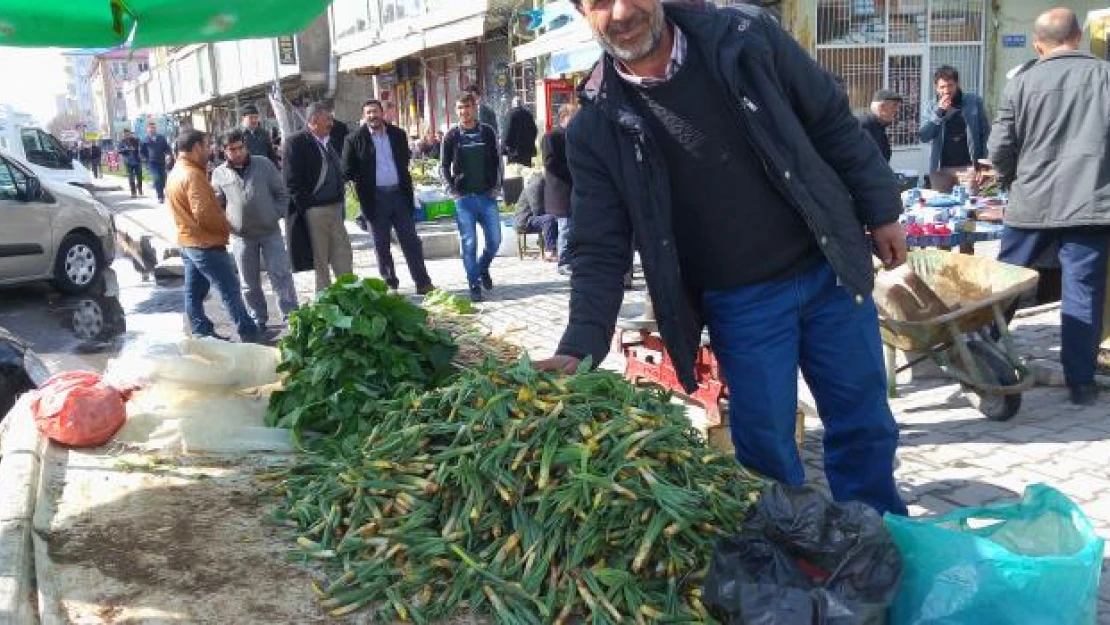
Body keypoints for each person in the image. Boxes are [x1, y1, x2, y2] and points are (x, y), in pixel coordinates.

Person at [536, 0, 909, 516]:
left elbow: (830, 121)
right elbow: (599, 247)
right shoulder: (596, 125)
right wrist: (580, 344)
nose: (622, 11)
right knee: (765, 447)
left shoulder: (743, 37)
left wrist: (882, 209)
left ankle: (880, 540)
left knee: (864, 422)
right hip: (741, 301)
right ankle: (790, 552)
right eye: (600, 1)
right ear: (583, 13)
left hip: (828, 271)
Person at [989, 7, 1110, 406]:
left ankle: (986, 360)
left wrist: (1010, 183)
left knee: (1001, 286)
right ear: (1077, 37)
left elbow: (999, 148)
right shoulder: (1105, 76)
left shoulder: (1022, 82)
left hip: (1031, 204)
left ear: (1038, 43)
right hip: (1091, 202)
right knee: (1082, 291)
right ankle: (1081, 383)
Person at [166, 130, 263, 343]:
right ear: (196, 148)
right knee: (229, 289)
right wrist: (225, 225)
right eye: (207, 144)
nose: (210, 149)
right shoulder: (192, 175)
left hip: (188, 242)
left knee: (194, 292)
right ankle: (248, 331)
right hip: (205, 244)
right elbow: (204, 213)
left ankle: (202, 331)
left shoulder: (176, 172)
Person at [342, 99, 437, 294]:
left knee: (411, 241)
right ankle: (390, 283)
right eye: (368, 113)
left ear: (382, 113)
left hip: (399, 195)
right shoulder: (354, 139)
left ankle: (423, 282)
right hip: (374, 200)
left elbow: (404, 161)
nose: (372, 116)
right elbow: (346, 169)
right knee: (381, 244)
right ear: (364, 116)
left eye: (375, 112)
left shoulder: (397, 134)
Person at [211, 129, 300, 330]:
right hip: (242, 237)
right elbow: (218, 205)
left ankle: (291, 315)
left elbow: (282, 193)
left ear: (245, 146)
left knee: (280, 274)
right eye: (232, 149)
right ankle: (258, 317)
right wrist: (227, 224)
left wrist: (275, 213)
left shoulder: (264, 164)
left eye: (240, 147)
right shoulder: (219, 174)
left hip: (270, 232)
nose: (237, 152)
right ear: (224, 151)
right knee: (249, 282)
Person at [283, 102, 354, 292]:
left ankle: (349, 292)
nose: (331, 123)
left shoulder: (332, 139)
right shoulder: (295, 142)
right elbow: (292, 181)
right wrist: (307, 207)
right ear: (313, 121)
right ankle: (324, 298)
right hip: (314, 209)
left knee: (343, 253)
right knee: (320, 257)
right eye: (327, 119)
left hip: (335, 206)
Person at [440, 93, 502, 303]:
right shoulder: (451, 135)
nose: (463, 111)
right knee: (469, 244)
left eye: (467, 107)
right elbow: (443, 166)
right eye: (459, 108)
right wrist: (452, 190)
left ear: (474, 107)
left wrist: (497, 187)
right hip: (464, 199)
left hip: (487, 196)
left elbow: (498, 160)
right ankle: (473, 284)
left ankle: (482, 267)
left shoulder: (487, 131)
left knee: (495, 241)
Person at [919, 65, 989, 193]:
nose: (946, 91)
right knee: (940, 208)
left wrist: (984, 165)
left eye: (950, 85)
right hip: (941, 170)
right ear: (936, 88)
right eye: (942, 87)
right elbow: (924, 136)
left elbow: (985, 134)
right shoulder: (931, 106)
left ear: (957, 84)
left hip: (969, 169)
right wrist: (939, 112)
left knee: (970, 208)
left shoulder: (973, 102)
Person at [542, 103, 577, 275]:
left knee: (573, 226)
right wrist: (572, 169)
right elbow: (550, 163)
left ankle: (573, 259)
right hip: (560, 190)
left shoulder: (575, 135)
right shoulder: (552, 137)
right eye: (574, 115)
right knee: (566, 226)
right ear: (564, 117)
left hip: (574, 189)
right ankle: (563, 262)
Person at [513, 171, 558, 260]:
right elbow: (538, 210)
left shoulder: (541, 184)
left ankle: (549, 245)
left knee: (556, 218)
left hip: (530, 219)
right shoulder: (535, 186)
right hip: (524, 221)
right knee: (549, 219)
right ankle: (549, 251)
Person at [858, 89, 902, 163]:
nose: (896, 110)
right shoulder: (863, 126)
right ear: (881, 107)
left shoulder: (879, 126)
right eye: (894, 105)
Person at [141, 121, 173, 203]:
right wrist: (145, 160)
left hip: (161, 161)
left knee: (163, 179)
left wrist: (168, 154)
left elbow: (167, 148)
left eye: (154, 128)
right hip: (152, 163)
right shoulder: (145, 140)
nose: (152, 129)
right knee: (157, 178)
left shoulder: (161, 138)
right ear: (147, 130)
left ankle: (162, 191)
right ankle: (160, 196)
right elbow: (142, 152)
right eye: (150, 128)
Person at [501, 97, 539, 166]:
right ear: (522, 104)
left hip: (514, 151)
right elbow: (535, 131)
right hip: (527, 152)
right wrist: (530, 142)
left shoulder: (510, 114)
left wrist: (503, 148)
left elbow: (506, 132)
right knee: (525, 173)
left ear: (513, 104)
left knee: (515, 174)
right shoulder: (528, 114)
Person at [119, 130, 143, 198]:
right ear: (123, 135)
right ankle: (133, 192)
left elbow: (140, 146)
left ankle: (139, 188)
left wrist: (137, 144)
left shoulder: (135, 140)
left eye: (127, 134)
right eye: (125, 134)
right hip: (128, 162)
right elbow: (119, 150)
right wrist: (127, 149)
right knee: (131, 177)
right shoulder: (122, 142)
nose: (126, 135)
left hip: (137, 161)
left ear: (130, 134)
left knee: (139, 176)